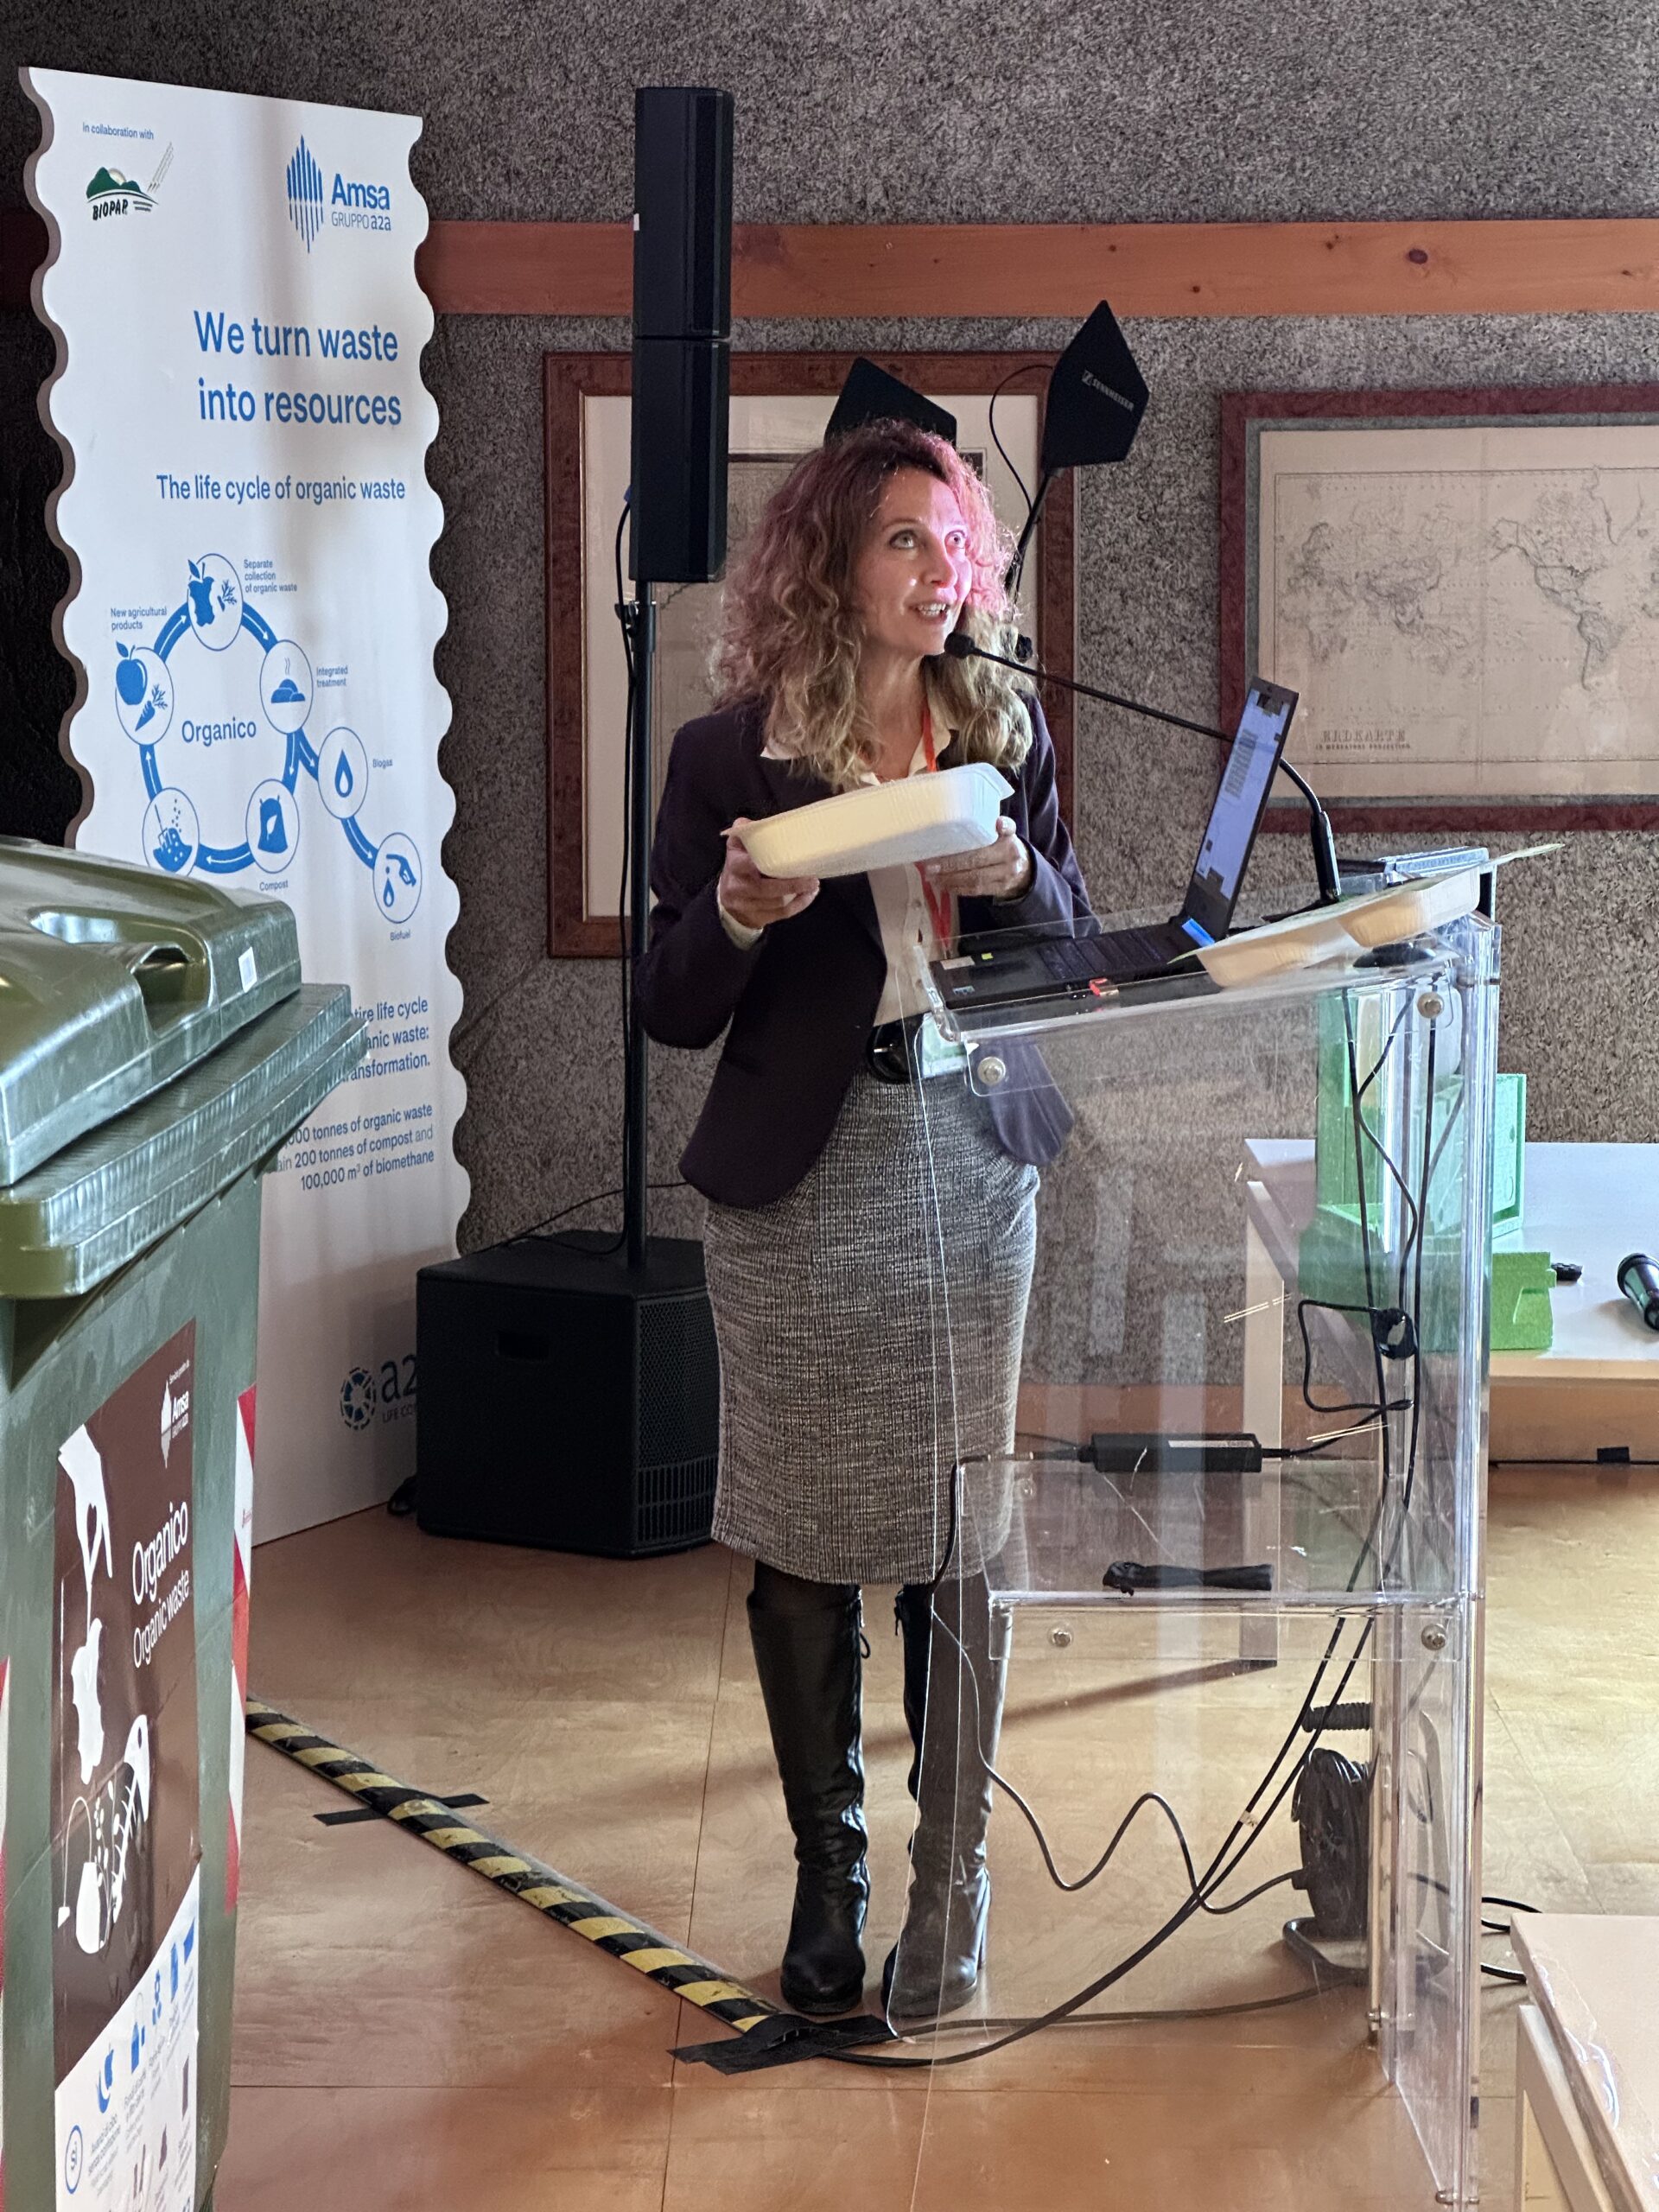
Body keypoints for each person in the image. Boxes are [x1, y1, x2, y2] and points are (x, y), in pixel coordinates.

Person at [634, 417, 1090, 2021]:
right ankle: (829, 1881)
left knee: (962, 1534)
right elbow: (670, 1006)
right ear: (832, 564)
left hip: (973, 1153)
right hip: (804, 1178)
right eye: (906, 539)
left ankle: (951, 1890)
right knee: (807, 1530)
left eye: (955, 540)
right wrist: (737, 912)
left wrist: (1019, 871)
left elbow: (1076, 947)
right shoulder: (728, 758)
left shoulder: (1005, 727)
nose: (939, 568)